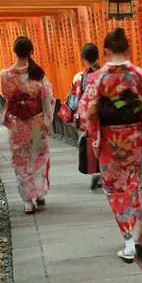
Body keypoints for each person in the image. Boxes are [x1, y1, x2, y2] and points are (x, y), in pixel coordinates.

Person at [79, 27, 142, 262]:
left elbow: (87, 111)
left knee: (115, 188)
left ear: (105, 52)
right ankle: (133, 232)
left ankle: (128, 240)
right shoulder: (139, 75)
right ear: (128, 49)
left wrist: (94, 136)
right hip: (133, 138)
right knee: (132, 181)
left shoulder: (97, 78)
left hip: (109, 140)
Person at [0, 36, 56, 214]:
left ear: (14, 51)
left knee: (20, 160)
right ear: (31, 52)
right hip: (36, 122)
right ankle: (39, 193)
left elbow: (6, 95)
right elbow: (46, 97)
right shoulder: (37, 74)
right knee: (38, 157)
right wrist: (48, 118)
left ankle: (28, 201)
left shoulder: (6, 75)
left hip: (17, 124)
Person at [61, 43, 103, 189]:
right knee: (103, 143)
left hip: (85, 118)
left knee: (89, 142)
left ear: (83, 58)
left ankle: (94, 171)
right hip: (102, 114)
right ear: (98, 56)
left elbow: (73, 98)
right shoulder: (104, 75)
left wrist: (69, 114)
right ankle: (103, 172)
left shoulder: (79, 77)